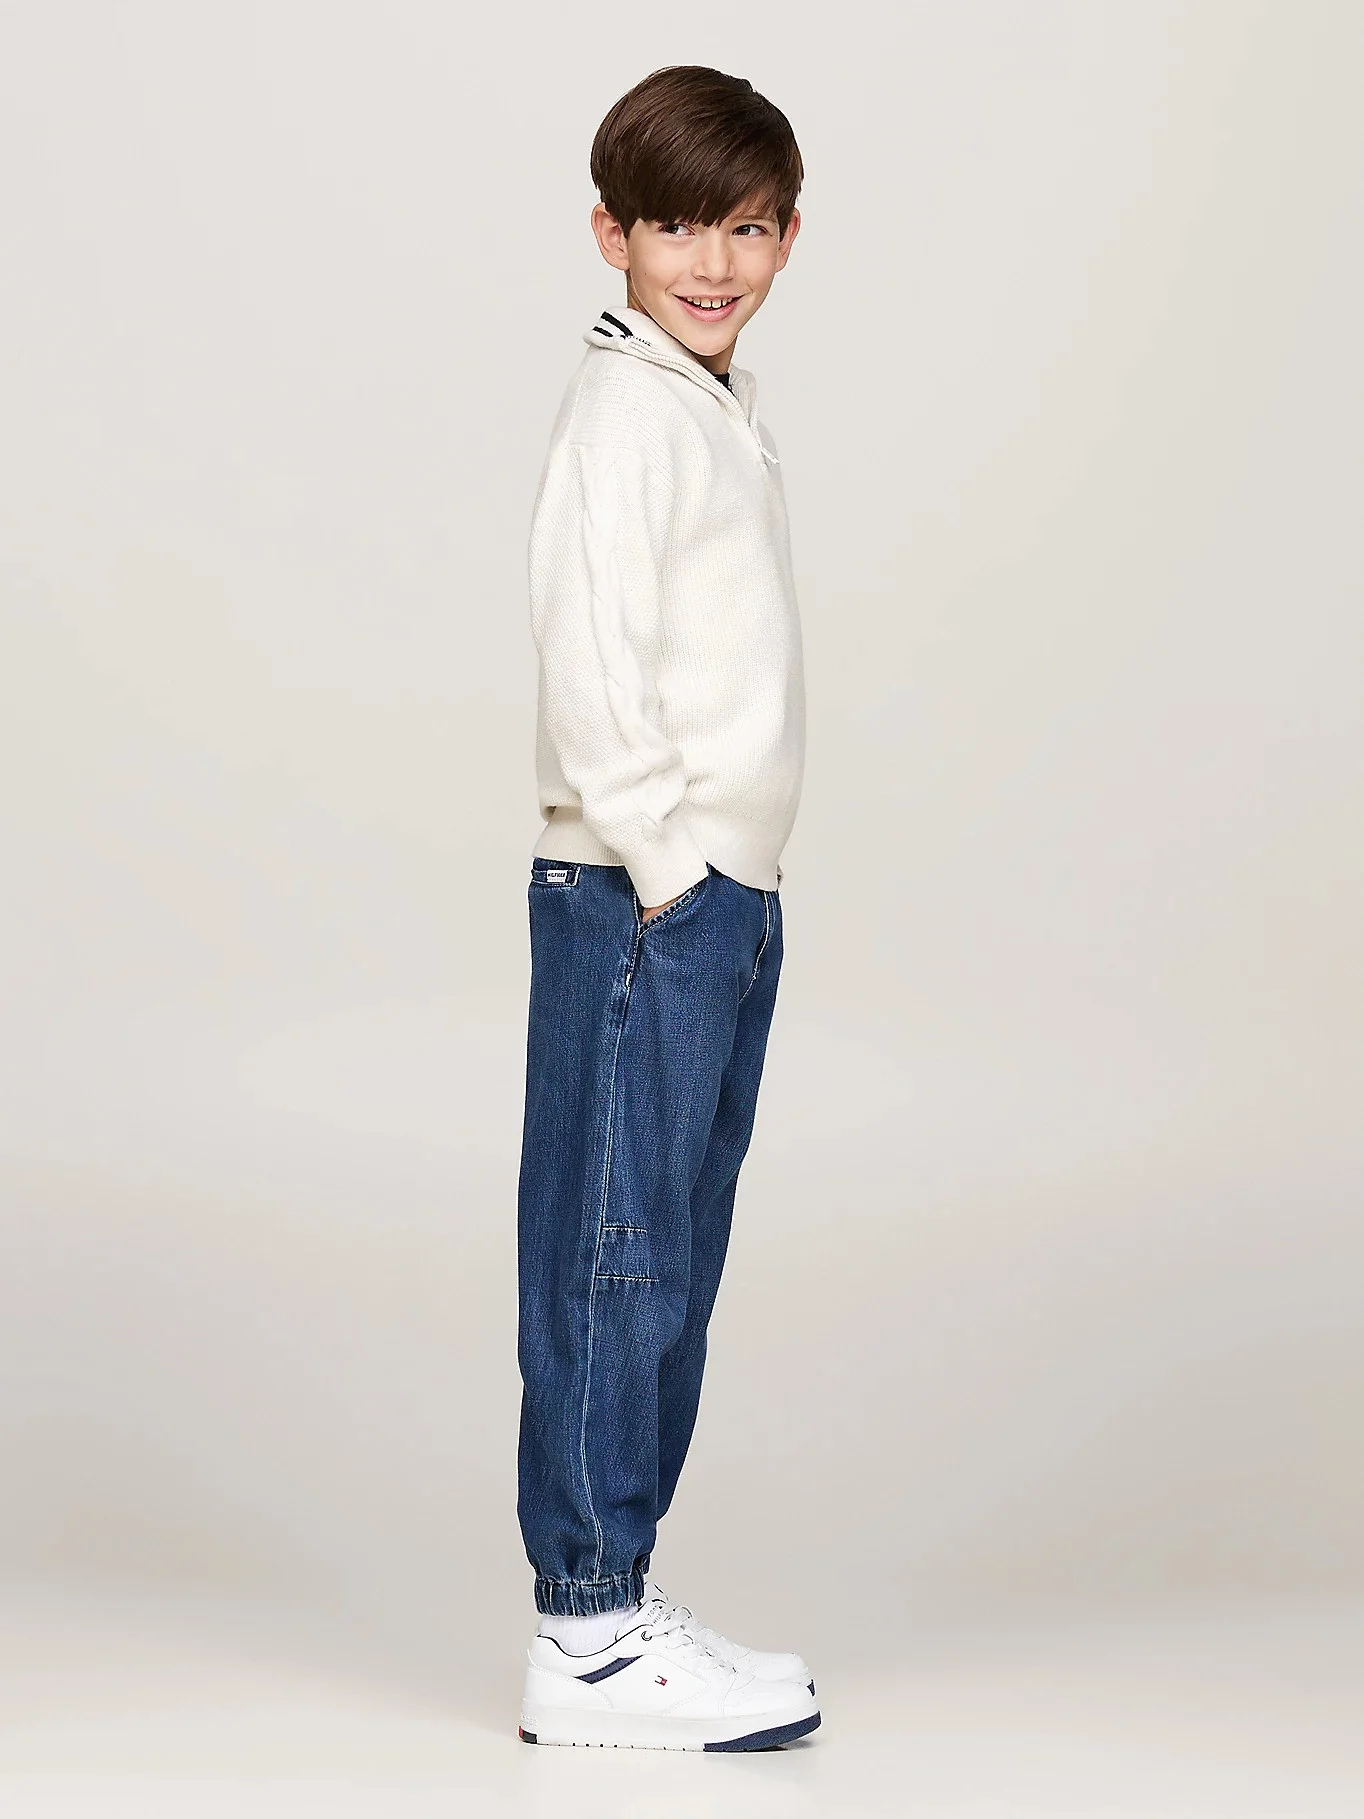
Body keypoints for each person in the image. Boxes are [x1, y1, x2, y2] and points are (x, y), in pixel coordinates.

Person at [514, 64, 817, 1753]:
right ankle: (585, 1630)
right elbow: (591, 661)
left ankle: (616, 1597)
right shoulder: (625, 413)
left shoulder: (707, 403)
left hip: (715, 901)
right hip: (648, 899)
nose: (714, 261)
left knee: (667, 1257)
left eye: (747, 228)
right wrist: (670, 868)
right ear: (610, 234)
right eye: (679, 227)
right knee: (613, 1259)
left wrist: (726, 891)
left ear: (790, 237)